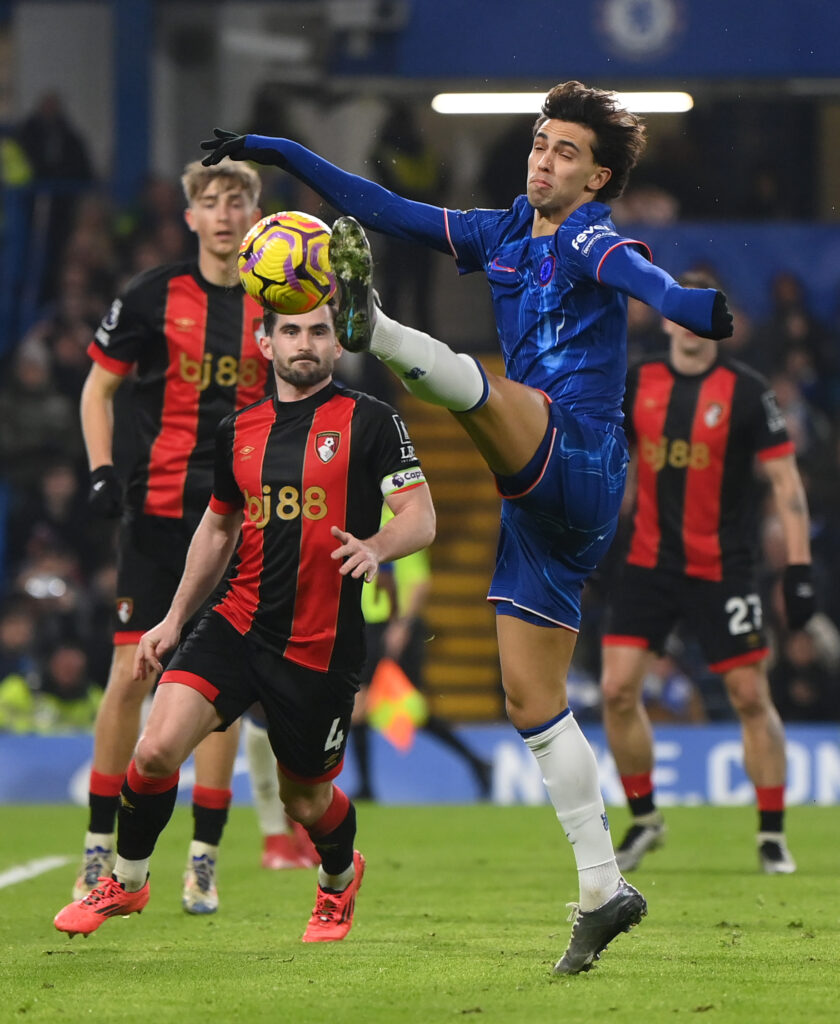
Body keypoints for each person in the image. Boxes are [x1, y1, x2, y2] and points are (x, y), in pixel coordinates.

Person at [200, 79, 733, 974]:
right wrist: (277, 151)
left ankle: (380, 330)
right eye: (539, 142)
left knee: (481, 391)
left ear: (597, 178)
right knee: (532, 704)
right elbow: (381, 207)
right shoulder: (497, 232)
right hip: (540, 505)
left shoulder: (590, 235)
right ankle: (604, 889)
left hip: (585, 455)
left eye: (566, 151)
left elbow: (639, 278)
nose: (544, 158)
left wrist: (688, 306)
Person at [53, 298, 436, 944]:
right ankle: (129, 876)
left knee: (305, 802)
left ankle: (339, 880)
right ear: (265, 342)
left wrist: (377, 547)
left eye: (318, 330)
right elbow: (219, 527)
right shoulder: (239, 428)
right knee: (152, 750)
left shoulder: (371, 422)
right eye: (290, 331)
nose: (305, 342)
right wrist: (173, 619)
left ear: (337, 344)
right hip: (237, 621)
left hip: (320, 643)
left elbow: (421, 517)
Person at [72, 157, 270, 915]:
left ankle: (203, 858)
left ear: (254, 212)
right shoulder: (154, 294)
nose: (224, 214)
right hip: (154, 517)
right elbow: (99, 385)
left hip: (235, 520)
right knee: (132, 677)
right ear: (190, 217)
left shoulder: (275, 299)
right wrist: (100, 468)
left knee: (217, 688)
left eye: (237, 200)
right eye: (210, 202)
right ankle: (98, 848)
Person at [599, 270, 814, 875]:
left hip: (723, 569)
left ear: (720, 326)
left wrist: (797, 569)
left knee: (750, 695)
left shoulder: (747, 393)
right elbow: (604, 465)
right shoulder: (635, 381)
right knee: (617, 692)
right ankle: (645, 821)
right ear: (668, 318)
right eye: (682, 314)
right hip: (647, 563)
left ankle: (772, 834)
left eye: (703, 317)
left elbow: (786, 483)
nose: (690, 328)